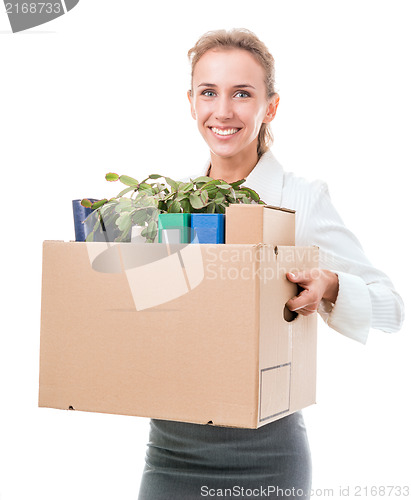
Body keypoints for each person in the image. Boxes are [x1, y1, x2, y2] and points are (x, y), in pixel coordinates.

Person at [137, 28, 404, 500]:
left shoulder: (301, 197)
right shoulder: (167, 202)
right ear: (191, 101)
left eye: (242, 94)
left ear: (271, 107)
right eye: (209, 93)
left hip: (266, 455)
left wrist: (333, 285)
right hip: (171, 451)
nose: (223, 111)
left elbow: (392, 306)